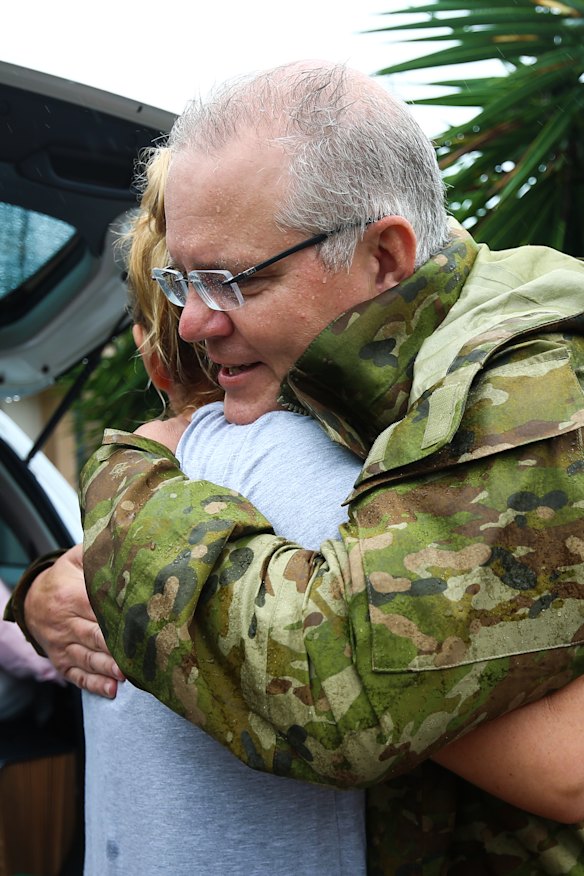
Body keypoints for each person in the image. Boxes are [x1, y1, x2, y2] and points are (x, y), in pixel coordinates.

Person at [9, 61, 584, 872]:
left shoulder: (529, 380)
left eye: (232, 281)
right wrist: (48, 591)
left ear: (384, 255)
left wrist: (128, 480)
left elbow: (342, 690)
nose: (194, 321)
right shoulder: (366, 374)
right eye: (181, 281)